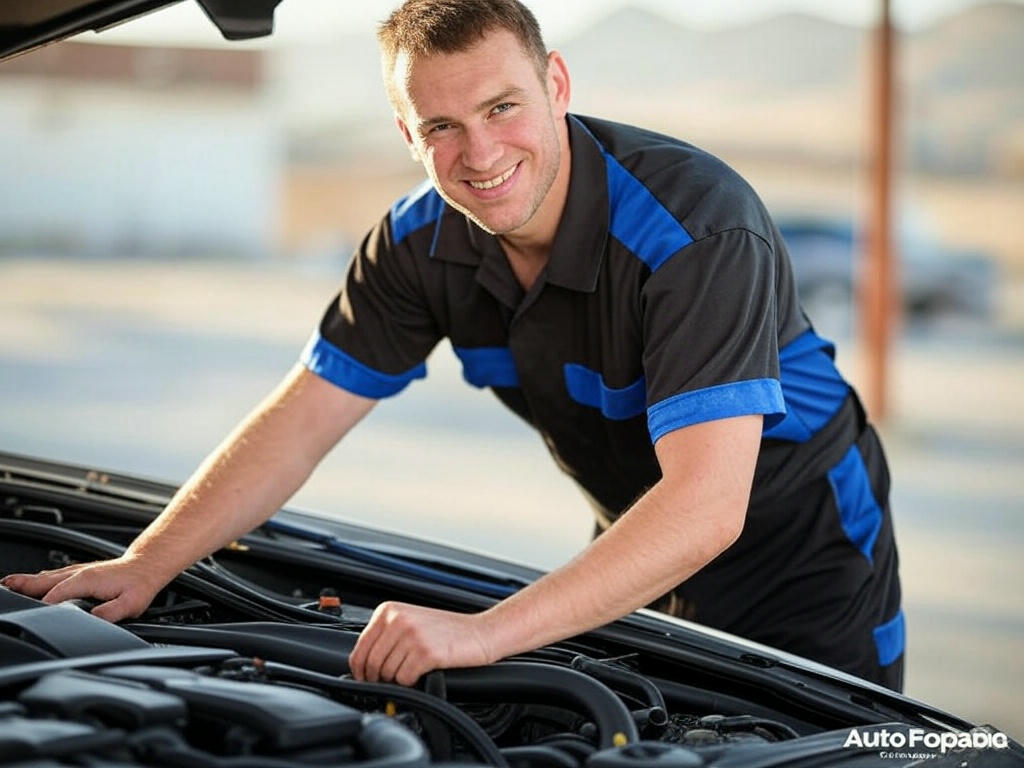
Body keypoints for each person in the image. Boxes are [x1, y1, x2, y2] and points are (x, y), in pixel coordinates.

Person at [1, 0, 903, 691]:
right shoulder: (418, 239)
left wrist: (479, 632)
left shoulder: (697, 228)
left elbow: (708, 508)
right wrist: (146, 561)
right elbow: (304, 416)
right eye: (440, 126)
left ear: (556, 85)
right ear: (407, 133)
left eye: (502, 106)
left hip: (807, 559)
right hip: (635, 536)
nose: (479, 152)